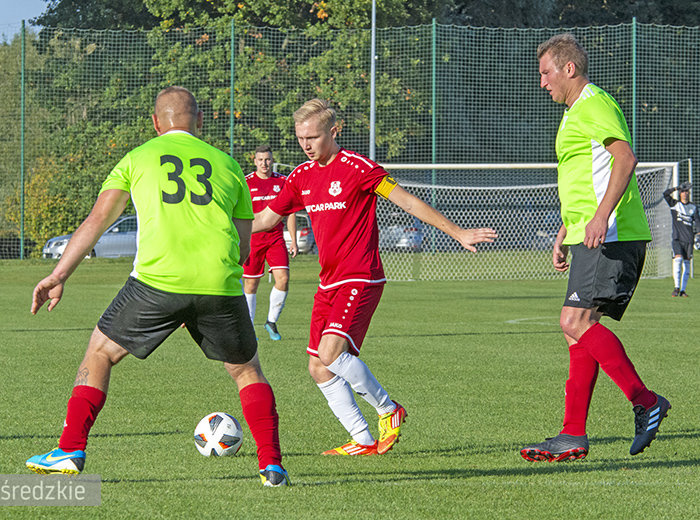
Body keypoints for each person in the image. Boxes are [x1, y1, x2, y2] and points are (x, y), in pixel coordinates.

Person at [25, 86, 289, 487]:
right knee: (247, 370)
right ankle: (272, 466)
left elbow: (98, 220)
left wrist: (58, 275)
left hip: (156, 284)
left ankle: (69, 449)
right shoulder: (228, 164)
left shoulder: (137, 158)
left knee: (100, 352)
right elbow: (244, 243)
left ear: (155, 123)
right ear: (200, 121)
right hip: (219, 283)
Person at [253, 98, 498, 456]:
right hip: (328, 282)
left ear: (334, 131)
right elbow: (265, 219)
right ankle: (363, 439)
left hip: (360, 276)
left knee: (330, 353)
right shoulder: (300, 177)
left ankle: (388, 408)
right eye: (300, 138)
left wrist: (457, 232)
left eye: (313, 137)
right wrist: (221, 229)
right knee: (318, 367)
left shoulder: (359, 169)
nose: (306, 145)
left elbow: (408, 202)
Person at [521, 33, 670, 463]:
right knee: (575, 329)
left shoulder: (594, 103)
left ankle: (646, 401)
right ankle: (572, 434)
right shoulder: (573, 113)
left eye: (546, 73)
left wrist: (602, 216)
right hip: (590, 235)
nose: (542, 82)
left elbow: (625, 159)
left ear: (569, 68)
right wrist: (565, 232)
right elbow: (584, 179)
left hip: (613, 233)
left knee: (575, 320)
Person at [242, 145, 297, 340]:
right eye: (260, 160)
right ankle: (248, 328)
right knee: (251, 284)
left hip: (275, 239)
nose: (264, 163)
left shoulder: (282, 181)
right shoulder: (246, 182)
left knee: (283, 279)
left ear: (272, 160)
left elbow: (290, 212)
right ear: (254, 161)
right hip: (253, 240)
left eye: (267, 159)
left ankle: (271, 321)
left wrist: (293, 240)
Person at [663, 181, 699, 297]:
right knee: (678, 260)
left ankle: (683, 290)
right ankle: (676, 287)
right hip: (677, 239)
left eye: (686, 191)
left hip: (689, 240)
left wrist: (698, 235)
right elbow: (665, 194)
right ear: (680, 193)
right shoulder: (675, 205)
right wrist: (677, 187)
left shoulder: (693, 207)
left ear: (689, 193)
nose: (684, 193)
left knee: (687, 265)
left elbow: (698, 223)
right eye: (682, 191)